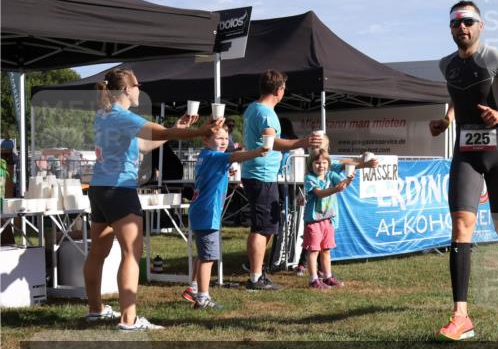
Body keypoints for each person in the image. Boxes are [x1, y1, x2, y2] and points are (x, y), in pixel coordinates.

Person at [429, 0, 498, 340]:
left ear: (480, 25)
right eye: (455, 23)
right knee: (461, 225)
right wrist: (446, 119)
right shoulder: (445, 65)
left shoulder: (495, 58)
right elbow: (456, 96)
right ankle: (461, 316)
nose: (461, 28)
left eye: (467, 21)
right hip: (465, 151)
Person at [84, 68, 222, 331]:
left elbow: (144, 144)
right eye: (138, 84)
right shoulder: (121, 116)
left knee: (97, 253)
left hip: (100, 188)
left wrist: (174, 130)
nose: (140, 89)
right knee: (131, 254)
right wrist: (198, 131)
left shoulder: (104, 116)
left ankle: (96, 310)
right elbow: (155, 133)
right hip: (119, 190)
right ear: (126, 89)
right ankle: (128, 320)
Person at [241, 70, 323, 291]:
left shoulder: (252, 108)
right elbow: (272, 143)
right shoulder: (267, 113)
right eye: (284, 88)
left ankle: (256, 270)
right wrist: (302, 142)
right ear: (279, 90)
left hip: (257, 174)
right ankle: (255, 277)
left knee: (265, 226)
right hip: (261, 175)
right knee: (262, 227)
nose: (284, 92)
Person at [182, 128, 267, 309]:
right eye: (218, 138)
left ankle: (194, 288)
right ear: (205, 140)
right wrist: (258, 151)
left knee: (203, 254)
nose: (223, 142)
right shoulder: (215, 156)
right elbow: (235, 157)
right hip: (207, 213)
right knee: (208, 257)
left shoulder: (205, 155)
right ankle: (203, 298)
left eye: (225, 139)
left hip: (201, 211)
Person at [302, 149, 354, 288]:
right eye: (317, 163)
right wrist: (335, 189)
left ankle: (327, 277)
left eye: (324, 162)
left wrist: (348, 180)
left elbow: (342, 185)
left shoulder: (331, 175)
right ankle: (313, 280)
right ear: (310, 164)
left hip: (328, 220)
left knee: (326, 250)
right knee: (313, 251)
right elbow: (319, 193)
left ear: (329, 164)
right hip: (313, 221)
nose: (321, 166)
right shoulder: (309, 179)